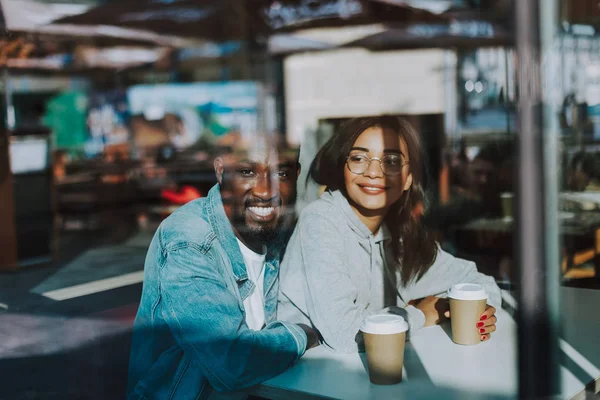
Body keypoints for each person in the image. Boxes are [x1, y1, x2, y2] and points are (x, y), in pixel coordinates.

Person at [278, 116, 502, 353]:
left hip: (362, 375)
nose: (374, 172)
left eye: (391, 161)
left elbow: (481, 283)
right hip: (301, 379)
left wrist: (477, 310)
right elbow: (346, 334)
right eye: (359, 158)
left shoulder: (399, 234)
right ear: (342, 167)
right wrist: (421, 313)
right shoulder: (320, 220)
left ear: (408, 179)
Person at [127, 134, 319, 399]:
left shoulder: (278, 232)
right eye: (246, 171)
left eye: (281, 174)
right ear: (221, 171)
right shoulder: (188, 242)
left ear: (296, 175)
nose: (265, 191)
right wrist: (302, 336)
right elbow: (231, 361)